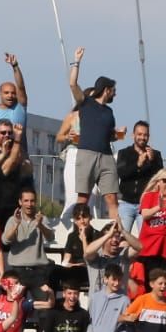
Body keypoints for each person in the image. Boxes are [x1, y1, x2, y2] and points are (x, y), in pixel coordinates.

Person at [60, 77, 122, 223]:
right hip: (87, 154)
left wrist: (117, 134)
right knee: (83, 197)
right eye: (114, 90)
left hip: (106, 156)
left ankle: (117, 232)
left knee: (112, 197)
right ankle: (78, 231)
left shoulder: (109, 111)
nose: (115, 94)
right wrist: (76, 61)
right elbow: (72, 84)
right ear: (106, 90)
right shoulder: (86, 103)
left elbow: (110, 135)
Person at [115, 121, 162, 232]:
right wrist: (138, 165)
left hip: (145, 205)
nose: (142, 137)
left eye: (145, 135)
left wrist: (151, 161)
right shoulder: (124, 153)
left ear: (149, 137)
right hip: (126, 203)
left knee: (144, 240)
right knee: (122, 238)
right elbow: (121, 173)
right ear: (133, 135)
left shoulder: (156, 154)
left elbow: (160, 177)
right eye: (139, 134)